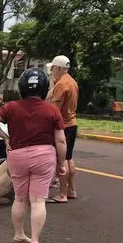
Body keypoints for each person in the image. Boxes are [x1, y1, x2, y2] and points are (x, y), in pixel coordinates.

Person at [0, 68, 67, 243]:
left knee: (20, 198)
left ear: (22, 87)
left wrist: (6, 138)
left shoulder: (12, 107)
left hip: (18, 155)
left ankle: (19, 235)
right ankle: (35, 241)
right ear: (45, 87)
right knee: (38, 201)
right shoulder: (52, 110)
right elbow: (61, 141)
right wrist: (61, 164)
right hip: (43, 156)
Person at [46, 55, 79, 203]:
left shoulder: (61, 85)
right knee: (69, 158)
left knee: (62, 160)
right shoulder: (72, 82)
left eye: (53, 68)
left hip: (63, 125)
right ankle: (71, 190)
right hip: (72, 123)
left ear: (59, 68)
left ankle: (62, 194)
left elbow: (54, 109)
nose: (52, 71)